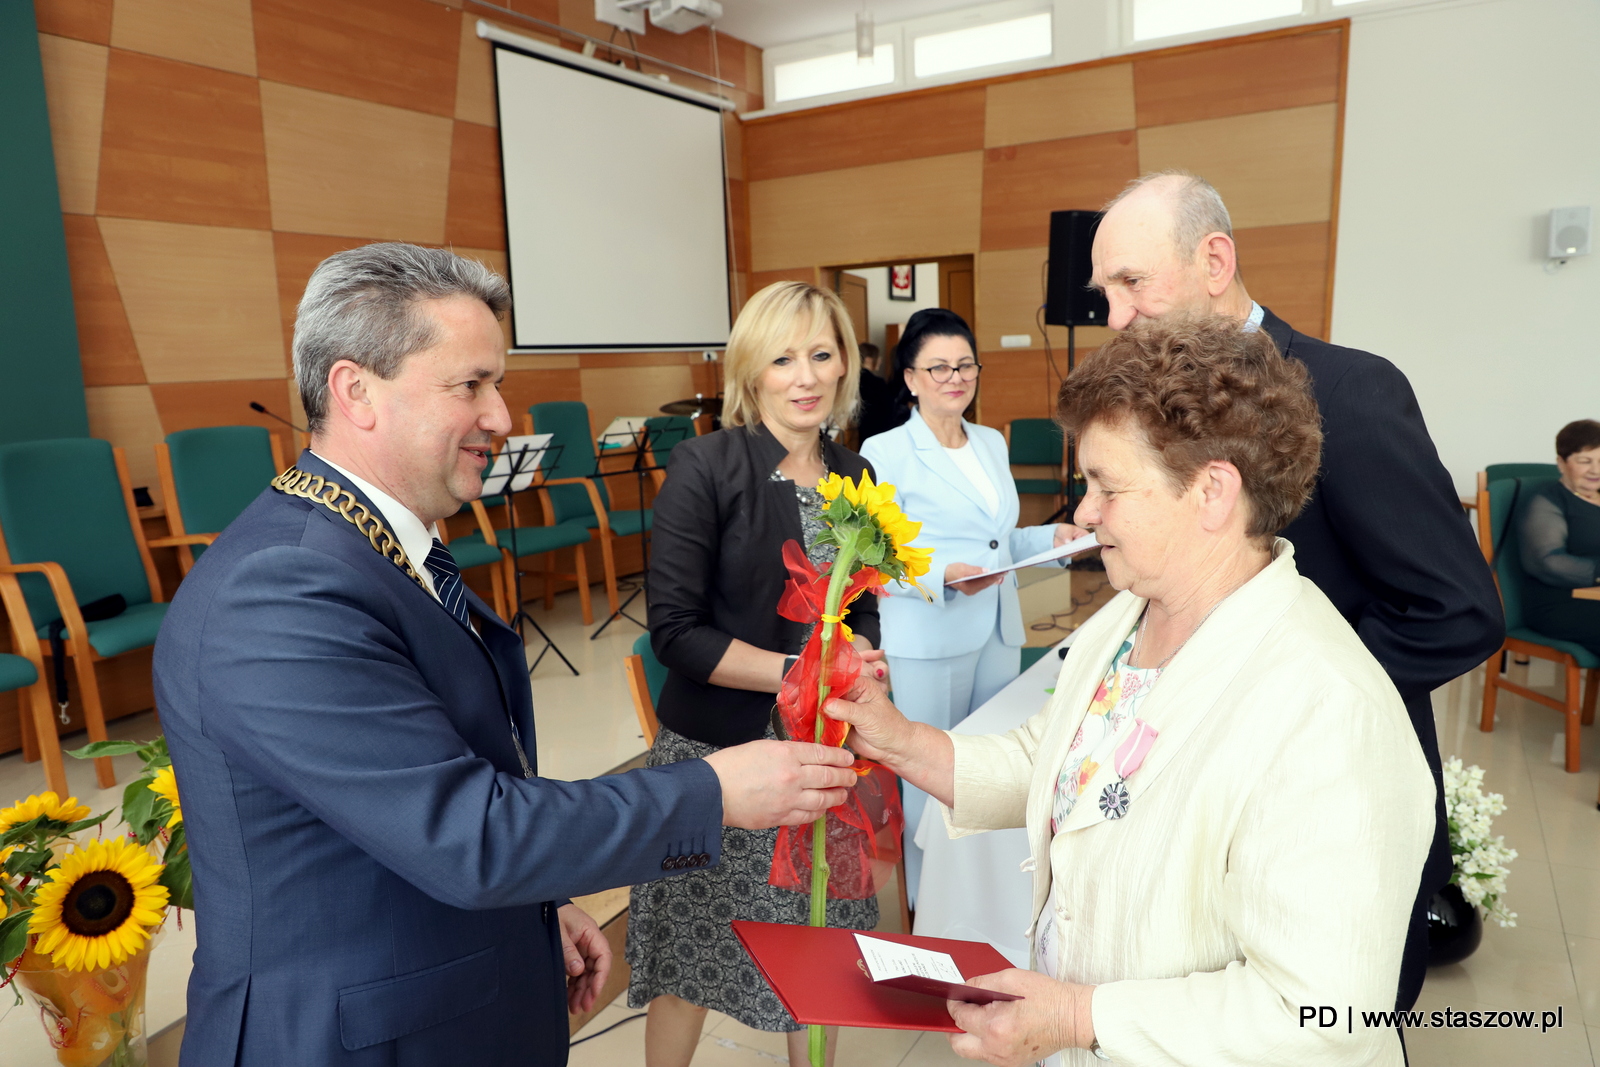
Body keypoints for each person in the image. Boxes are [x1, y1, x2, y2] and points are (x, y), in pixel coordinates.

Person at [152, 245, 859, 1067]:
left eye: (498, 384)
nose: (502, 417)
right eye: (471, 385)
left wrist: (536, 907)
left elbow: (427, 785)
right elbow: (467, 830)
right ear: (356, 391)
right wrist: (712, 789)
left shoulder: (375, 547)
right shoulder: (279, 589)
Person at [828, 318, 1434, 1067]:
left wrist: (1082, 1014)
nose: (1082, 512)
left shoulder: (1330, 710)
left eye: (1107, 486)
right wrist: (901, 739)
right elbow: (1057, 758)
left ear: (1212, 491)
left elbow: (1320, 1016)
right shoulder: (1132, 610)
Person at [1087, 171, 1503, 1012]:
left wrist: (1285, 704)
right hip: (1189, 806)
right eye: (1105, 293)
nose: (1115, 316)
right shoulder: (1154, 408)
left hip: (1327, 804)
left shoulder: (1349, 391)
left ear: (1215, 259)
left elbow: (1457, 610)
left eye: (1132, 283)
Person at [632, 280, 887, 1067]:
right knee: (689, 964)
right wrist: (799, 669)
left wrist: (863, 666)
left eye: (821, 353)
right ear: (752, 370)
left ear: (846, 363)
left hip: (822, 759)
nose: (805, 375)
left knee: (821, 954)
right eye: (783, 357)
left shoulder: (858, 472)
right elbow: (675, 633)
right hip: (717, 762)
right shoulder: (707, 463)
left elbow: (864, 609)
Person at [858, 307, 1073, 906]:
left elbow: (997, 540)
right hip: (929, 634)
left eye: (964, 365)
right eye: (938, 367)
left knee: (988, 770)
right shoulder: (885, 450)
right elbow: (875, 554)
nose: (954, 378)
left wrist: (1047, 541)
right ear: (909, 378)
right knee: (930, 780)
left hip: (997, 629)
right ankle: (930, 909)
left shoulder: (990, 441)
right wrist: (942, 576)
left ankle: (981, 903)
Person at [1516, 418, 1600, 654]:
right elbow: (1546, 562)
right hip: (1560, 603)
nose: (1595, 470)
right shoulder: (1547, 501)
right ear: (1561, 463)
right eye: (1585, 461)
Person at [856, 340, 908, 443]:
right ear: (868, 360)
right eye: (877, 357)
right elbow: (887, 412)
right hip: (879, 433)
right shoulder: (877, 383)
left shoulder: (852, 381)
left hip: (863, 432)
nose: (880, 360)